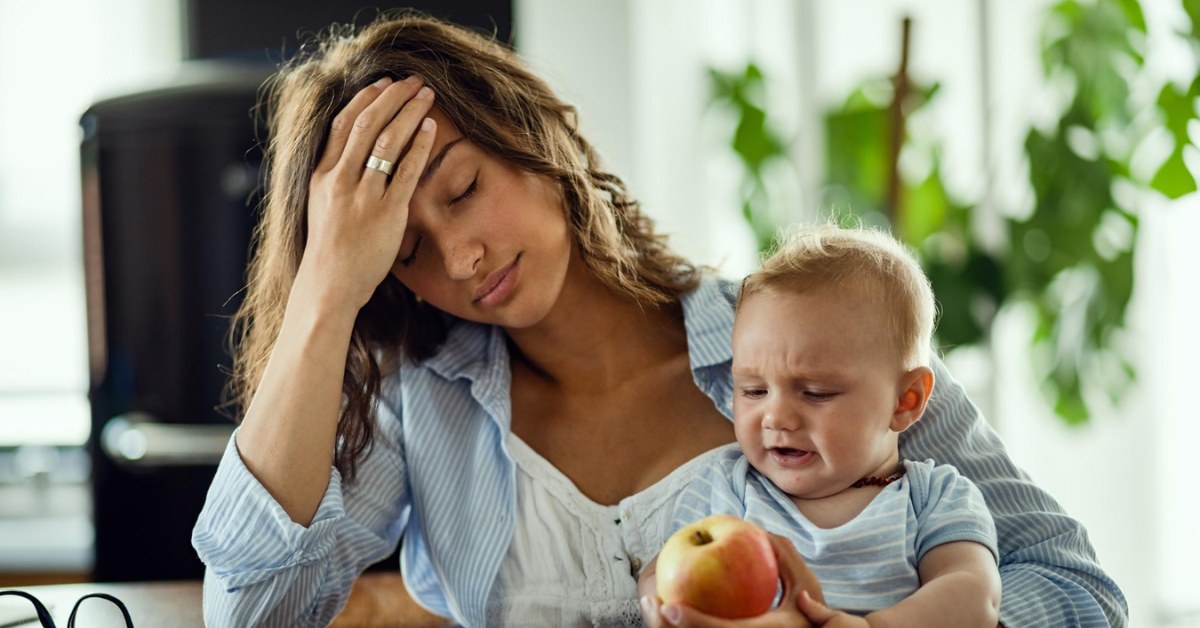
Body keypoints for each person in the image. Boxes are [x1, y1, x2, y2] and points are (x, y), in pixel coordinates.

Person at [190, 11, 1127, 627]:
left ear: (535, 139)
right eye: (402, 253)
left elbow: (1079, 593)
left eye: (464, 190)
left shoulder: (814, 351)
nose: (460, 258)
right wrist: (321, 297)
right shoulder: (420, 407)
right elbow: (251, 614)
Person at [637, 225, 1001, 626]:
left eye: (815, 393)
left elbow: (974, 594)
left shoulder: (934, 497)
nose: (776, 418)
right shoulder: (727, 485)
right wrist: (665, 611)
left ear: (905, 400)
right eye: (754, 391)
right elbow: (660, 571)